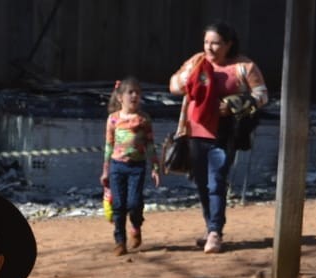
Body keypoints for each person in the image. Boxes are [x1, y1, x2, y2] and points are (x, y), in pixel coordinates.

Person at [168, 22, 267, 254]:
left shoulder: (244, 66)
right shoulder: (197, 61)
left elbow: (261, 95)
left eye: (215, 43)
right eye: (206, 42)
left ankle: (215, 232)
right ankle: (210, 225)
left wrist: (235, 104)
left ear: (228, 44)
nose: (209, 48)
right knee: (202, 183)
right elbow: (173, 85)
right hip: (195, 130)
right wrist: (188, 79)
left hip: (225, 133)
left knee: (217, 180)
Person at [100, 76, 161, 256]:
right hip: (117, 167)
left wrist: (155, 168)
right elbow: (108, 146)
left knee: (134, 203)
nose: (134, 96)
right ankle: (120, 241)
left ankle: (136, 224)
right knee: (118, 205)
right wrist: (105, 170)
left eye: (138, 92)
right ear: (120, 97)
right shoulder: (113, 119)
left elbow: (150, 145)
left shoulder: (143, 119)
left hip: (137, 167)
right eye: (130, 92)